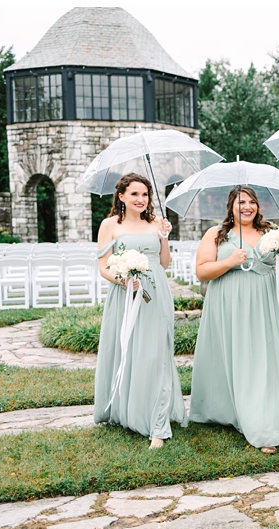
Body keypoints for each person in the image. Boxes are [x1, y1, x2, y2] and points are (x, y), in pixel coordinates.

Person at [191, 188, 279, 453]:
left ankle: (264, 421)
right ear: (231, 207)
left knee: (262, 359)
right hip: (228, 303)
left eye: (252, 202)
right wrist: (229, 261)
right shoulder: (216, 234)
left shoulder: (271, 231)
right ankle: (231, 412)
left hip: (264, 303)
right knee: (234, 356)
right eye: (241, 202)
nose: (248, 207)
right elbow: (202, 271)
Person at [94, 173, 184, 450]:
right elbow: (103, 267)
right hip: (125, 295)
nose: (141, 200)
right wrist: (123, 280)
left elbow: (164, 264)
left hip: (154, 295)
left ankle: (158, 424)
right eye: (134, 194)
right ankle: (128, 411)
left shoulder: (157, 223)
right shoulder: (110, 225)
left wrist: (165, 238)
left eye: (145, 194)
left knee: (156, 354)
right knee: (128, 351)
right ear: (121, 196)